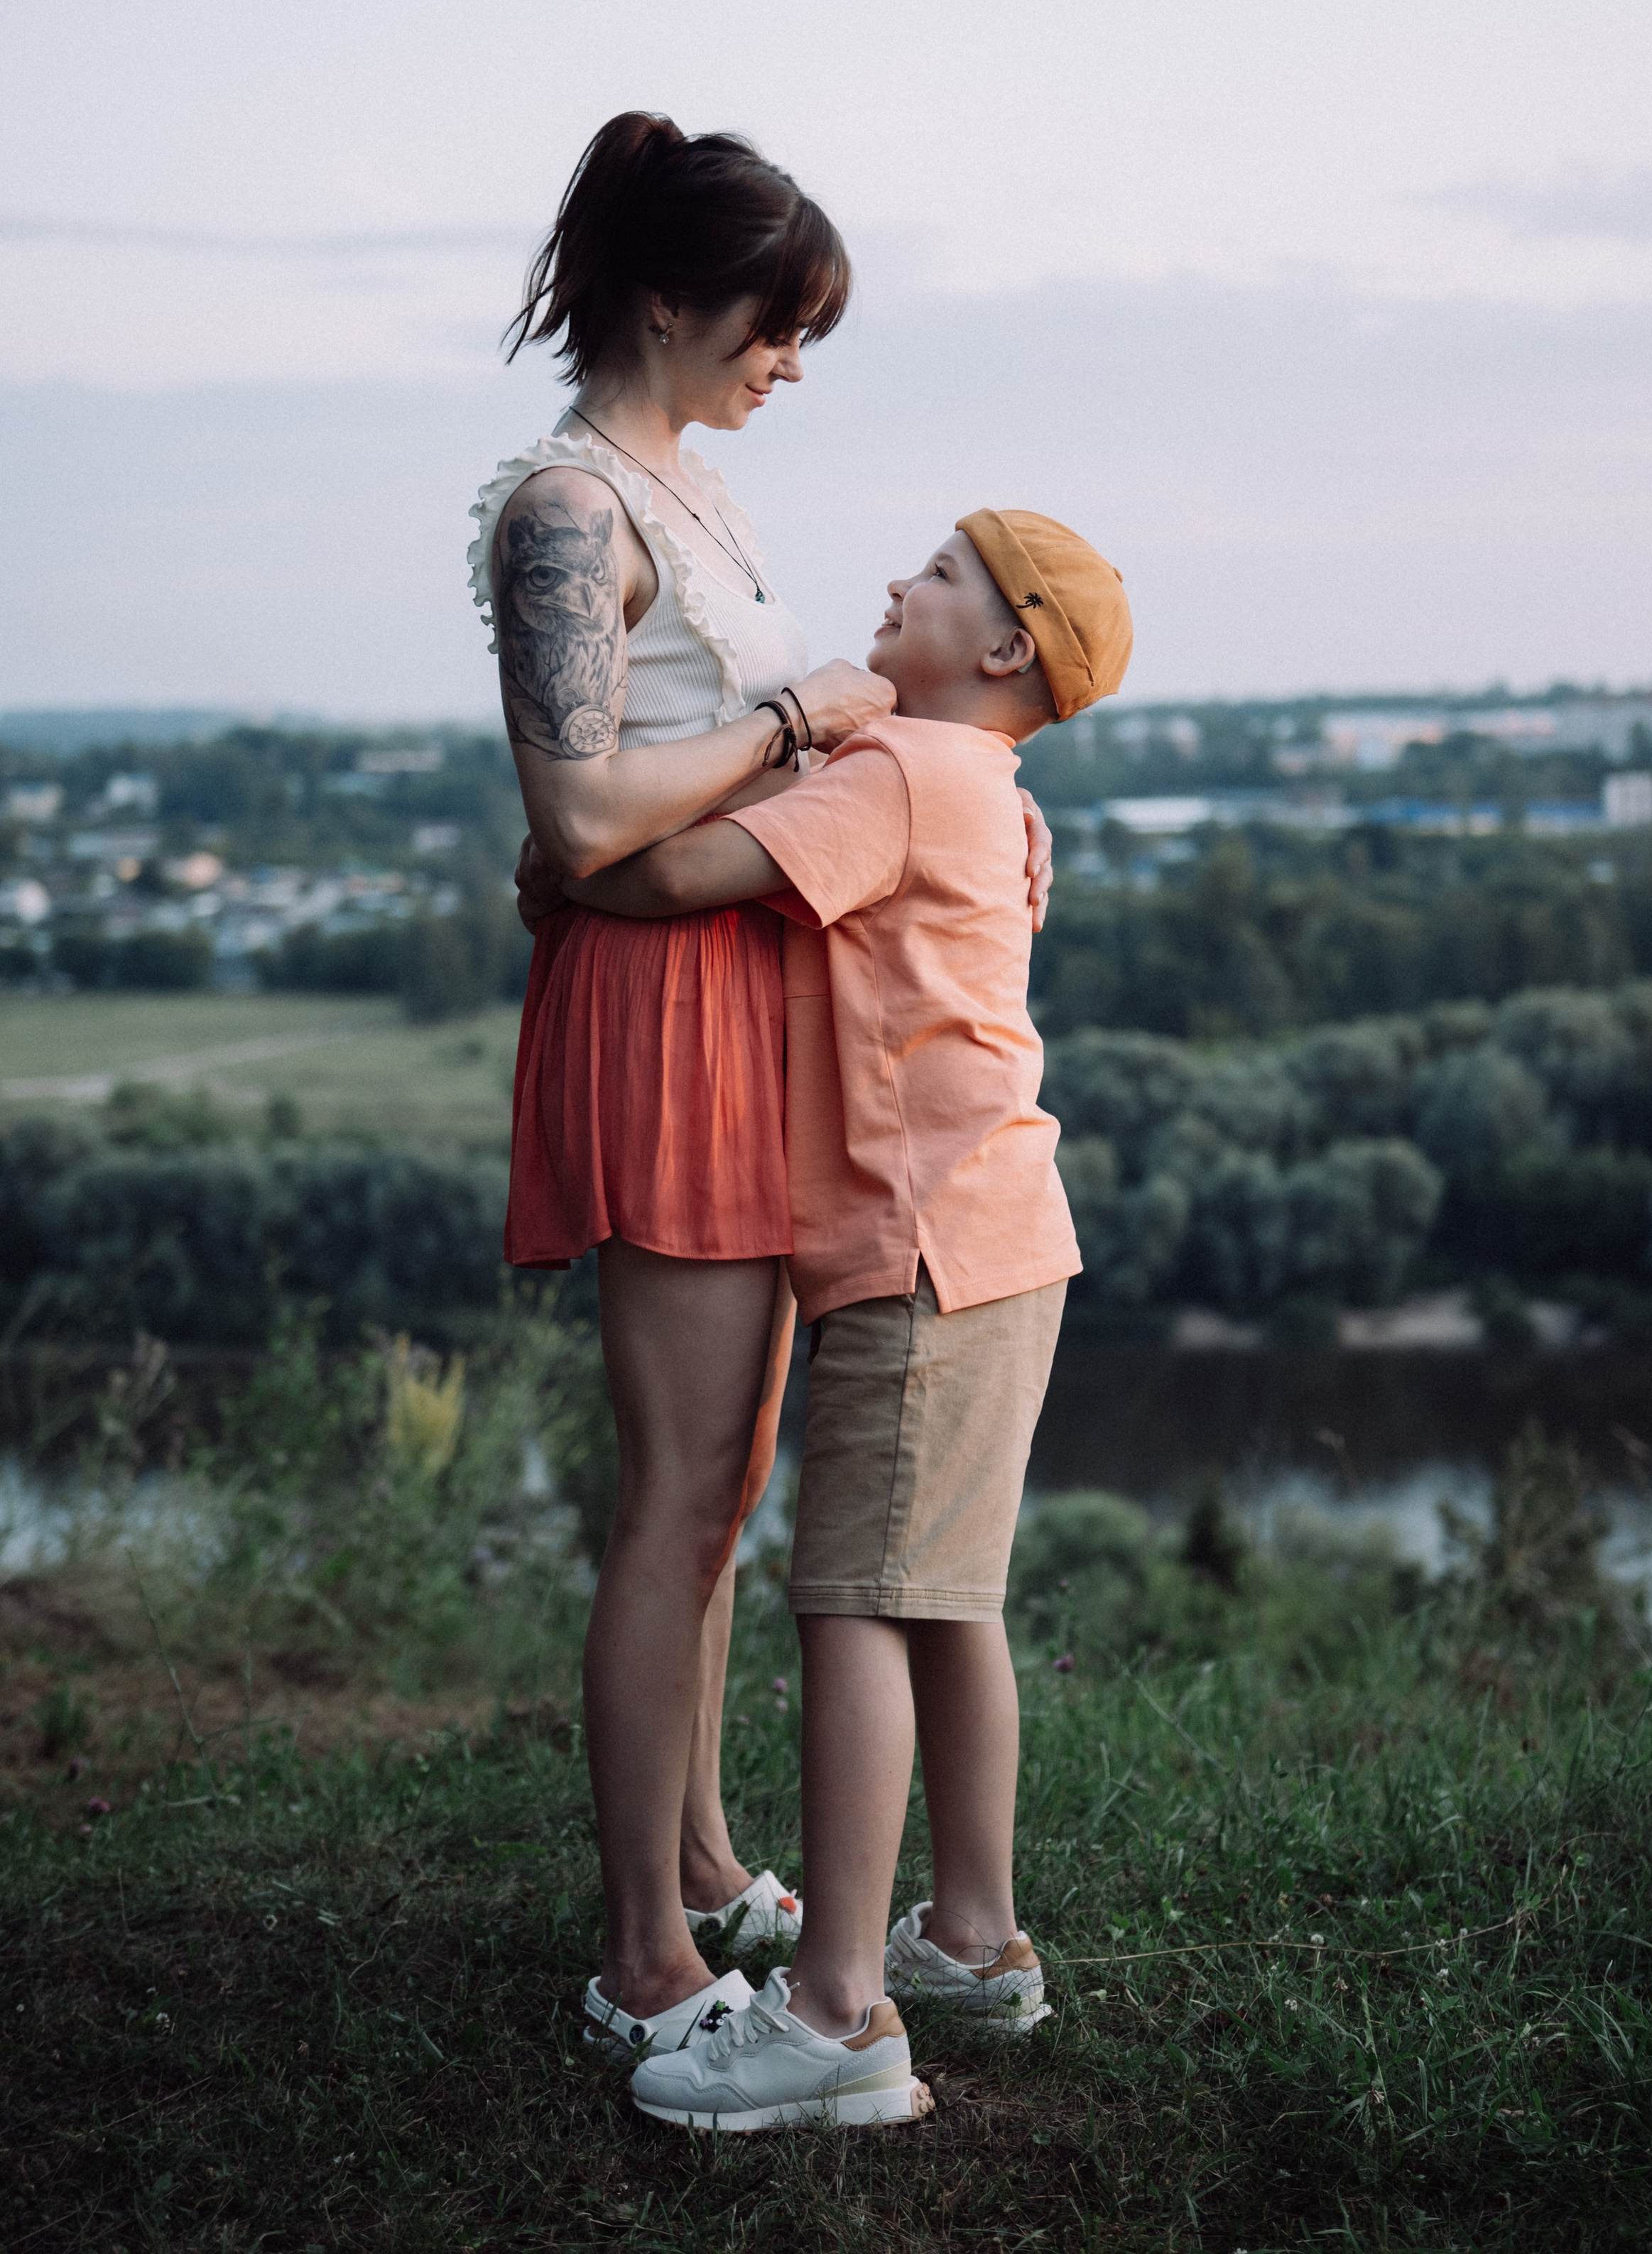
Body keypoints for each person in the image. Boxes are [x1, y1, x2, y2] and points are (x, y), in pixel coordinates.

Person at [548, 511, 1133, 2128]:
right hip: (1010, 1237)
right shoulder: (988, 793)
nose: (893, 584)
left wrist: (565, 850)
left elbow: (665, 869)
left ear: (1003, 646)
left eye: (937, 575)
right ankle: (972, 1937)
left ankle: (833, 2018)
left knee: (857, 1601)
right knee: (950, 1598)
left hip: (917, 1249)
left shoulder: (892, 779)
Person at [470, 110, 899, 2054]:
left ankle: (711, 1861)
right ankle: (638, 1950)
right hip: (656, 1013)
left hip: (735, 988)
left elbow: (661, 780)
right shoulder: (567, 511)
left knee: (725, 1485)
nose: (788, 362)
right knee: (676, 1497)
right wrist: (803, 720)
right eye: (774, 321)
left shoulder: (689, 492)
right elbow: (576, 812)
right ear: (668, 296)